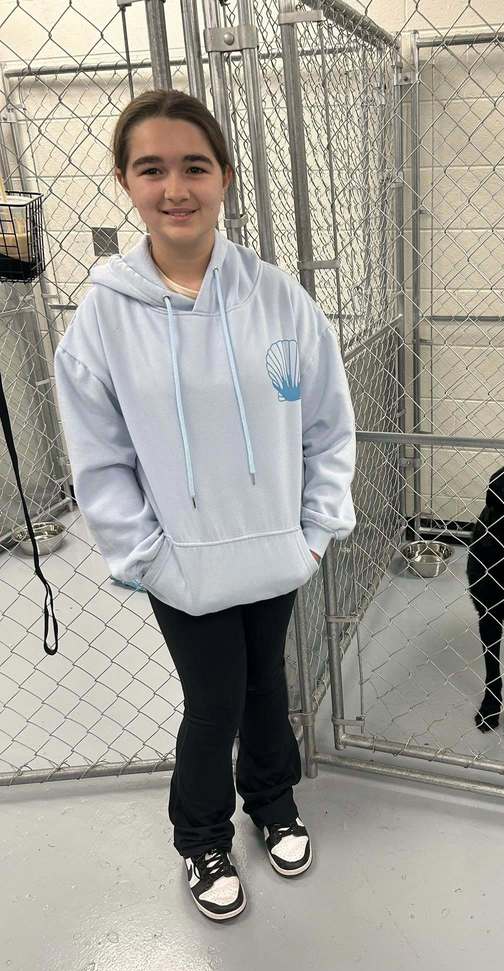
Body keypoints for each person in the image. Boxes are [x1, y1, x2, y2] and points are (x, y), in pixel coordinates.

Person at [53, 90, 356, 921]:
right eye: (152, 168)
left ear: (224, 176)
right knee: (214, 698)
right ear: (125, 180)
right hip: (180, 561)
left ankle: (272, 799)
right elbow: (101, 460)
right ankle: (202, 837)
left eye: (195, 166)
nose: (175, 187)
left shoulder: (280, 300)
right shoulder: (102, 320)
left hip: (276, 551)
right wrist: (145, 555)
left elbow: (328, 426)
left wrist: (317, 531)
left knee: (267, 686)